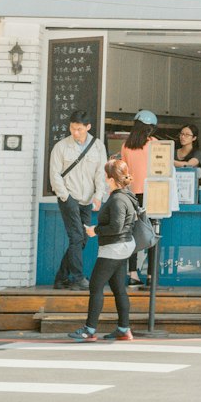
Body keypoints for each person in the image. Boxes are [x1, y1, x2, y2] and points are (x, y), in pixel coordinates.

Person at [68, 157, 138, 342]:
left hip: (113, 248)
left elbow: (116, 226)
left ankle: (89, 331)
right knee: (118, 288)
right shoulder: (128, 196)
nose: (104, 180)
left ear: (111, 178)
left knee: (96, 286)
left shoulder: (117, 200)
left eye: (106, 176)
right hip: (124, 247)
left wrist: (94, 231)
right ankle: (123, 329)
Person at [49, 110, 107, 291]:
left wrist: (98, 196)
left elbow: (101, 173)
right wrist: (66, 196)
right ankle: (77, 278)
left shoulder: (98, 146)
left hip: (88, 199)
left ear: (88, 127)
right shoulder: (61, 147)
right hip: (69, 197)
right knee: (76, 237)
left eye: (79, 129)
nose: (75, 133)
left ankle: (61, 278)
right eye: (72, 129)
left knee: (83, 239)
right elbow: (55, 174)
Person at [121, 110, 157, 286]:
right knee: (152, 233)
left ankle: (133, 274)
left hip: (132, 195)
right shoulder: (154, 144)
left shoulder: (126, 146)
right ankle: (151, 276)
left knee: (133, 233)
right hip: (153, 193)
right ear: (149, 129)